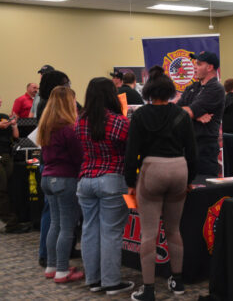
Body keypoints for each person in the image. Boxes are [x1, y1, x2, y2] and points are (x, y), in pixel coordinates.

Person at [125, 66, 197, 300]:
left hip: (151, 170)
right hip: (179, 169)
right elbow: (192, 151)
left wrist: (130, 181)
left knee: (149, 233)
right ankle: (177, 281)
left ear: (147, 93)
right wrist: (190, 179)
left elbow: (131, 152)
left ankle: (148, 289)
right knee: (174, 230)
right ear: (170, 92)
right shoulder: (182, 115)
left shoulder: (140, 116)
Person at [75, 77, 134, 295]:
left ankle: (94, 280)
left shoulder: (79, 121)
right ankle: (111, 282)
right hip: (112, 179)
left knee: (89, 230)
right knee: (111, 232)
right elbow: (131, 151)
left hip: (85, 180)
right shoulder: (119, 121)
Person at [37, 86, 84, 283]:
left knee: (54, 224)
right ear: (67, 103)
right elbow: (79, 157)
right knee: (67, 226)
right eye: (73, 100)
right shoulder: (68, 128)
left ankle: (52, 266)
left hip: (47, 178)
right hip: (65, 179)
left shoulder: (46, 126)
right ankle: (63, 271)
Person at [176, 51, 225, 176]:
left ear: (209, 67)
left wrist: (191, 113)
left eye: (198, 64)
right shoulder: (193, 87)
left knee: (203, 191)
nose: (194, 67)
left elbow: (188, 113)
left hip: (204, 150)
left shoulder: (216, 88)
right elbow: (175, 111)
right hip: (186, 147)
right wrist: (195, 115)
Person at [0, 98, 29, 234]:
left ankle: (12, 220)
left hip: (7, 155)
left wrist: (14, 125)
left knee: (8, 189)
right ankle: (11, 222)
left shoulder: (4, 117)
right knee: (2, 190)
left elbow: (15, 136)